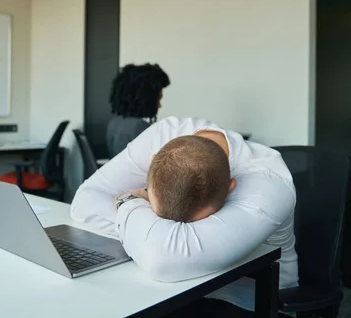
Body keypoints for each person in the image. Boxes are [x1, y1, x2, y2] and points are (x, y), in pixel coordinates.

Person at [71, 116, 298, 316]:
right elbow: (84, 201)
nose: (172, 226)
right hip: (177, 288)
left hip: (247, 298)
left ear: (231, 188)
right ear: (152, 164)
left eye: (188, 224)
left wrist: (128, 201)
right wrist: (153, 235)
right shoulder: (165, 136)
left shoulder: (268, 185)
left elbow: (162, 259)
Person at [107, 63, 170, 158]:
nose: (160, 105)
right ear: (146, 98)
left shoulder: (114, 123)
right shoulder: (139, 127)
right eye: (158, 99)